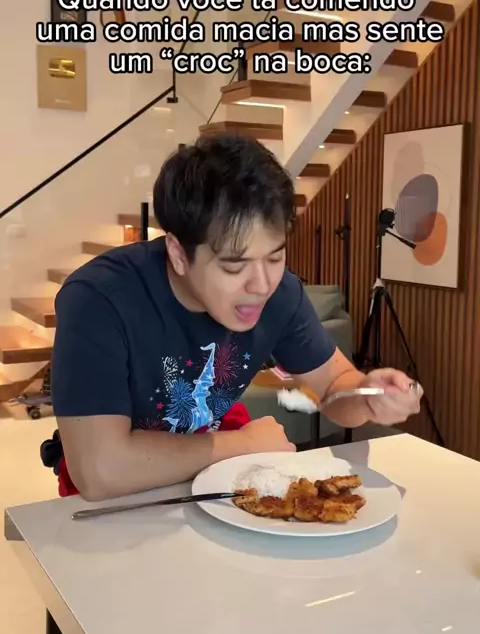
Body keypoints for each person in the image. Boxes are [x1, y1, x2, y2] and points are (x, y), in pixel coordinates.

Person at [46, 134, 422, 501]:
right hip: (117, 495)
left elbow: (334, 386)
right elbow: (101, 471)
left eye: (275, 257)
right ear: (178, 254)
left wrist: (367, 396)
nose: (261, 285)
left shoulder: (280, 293)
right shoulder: (99, 299)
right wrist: (243, 444)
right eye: (233, 266)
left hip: (211, 470)